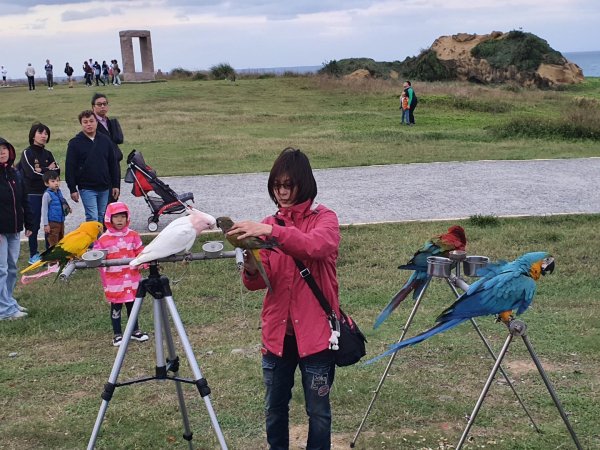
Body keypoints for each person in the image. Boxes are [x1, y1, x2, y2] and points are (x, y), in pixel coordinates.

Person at [227, 147, 341, 450]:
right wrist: (250, 264)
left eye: (288, 184)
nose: (282, 192)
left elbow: (314, 246)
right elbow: (259, 282)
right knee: (274, 409)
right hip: (278, 335)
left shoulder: (324, 219)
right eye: (277, 185)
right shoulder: (268, 223)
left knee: (318, 413)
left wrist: (270, 230)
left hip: (316, 336)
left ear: (303, 183)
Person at [93, 201, 148, 346]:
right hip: (114, 281)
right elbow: (98, 256)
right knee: (116, 307)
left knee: (132, 305)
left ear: (127, 217)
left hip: (132, 278)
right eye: (116, 217)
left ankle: (135, 331)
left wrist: (144, 261)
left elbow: (140, 251)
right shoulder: (103, 239)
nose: (119, 220)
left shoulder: (134, 235)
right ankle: (117, 334)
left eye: (123, 217)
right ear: (109, 219)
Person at [65, 110, 120, 224]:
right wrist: (72, 189)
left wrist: (115, 184)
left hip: (104, 186)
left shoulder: (105, 140)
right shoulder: (75, 143)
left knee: (102, 216)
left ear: (96, 122)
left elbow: (113, 163)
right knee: (92, 217)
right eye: (85, 122)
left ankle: (99, 241)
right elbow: (70, 167)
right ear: (81, 124)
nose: (89, 124)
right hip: (87, 187)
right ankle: (93, 242)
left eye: (91, 121)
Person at [0, 137, 33, 321]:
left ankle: (8, 301)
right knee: (1, 268)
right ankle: (4, 310)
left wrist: (29, 224)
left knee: (12, 267)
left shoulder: (14, 174)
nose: (2, 152)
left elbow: (24, 199)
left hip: (14, 229)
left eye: (5, 149)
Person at [18, 122, 59, 264]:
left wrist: (44, 170)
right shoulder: (27, 152)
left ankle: (49, 252)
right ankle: (33, 254)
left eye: (46, 133)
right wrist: (48, 169)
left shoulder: (48, 154)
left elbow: (57, 172)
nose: (44, 135)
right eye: (40, 132)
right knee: (33, 224)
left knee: (51, 223)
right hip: (32, 194)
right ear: (33, 135)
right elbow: (31, 173)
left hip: (49, 193)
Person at [92, 93, 124, 203]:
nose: (102, 106)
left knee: (114, 197)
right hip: (102, 167)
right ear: (93, 107)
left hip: (114, 165)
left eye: (104, 104)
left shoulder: (109, 122)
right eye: (99, 104)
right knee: (104, 202)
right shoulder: (92, 124)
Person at [40, 170, 70, 247]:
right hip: (52, 222)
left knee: (61, 241)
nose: (56, 183)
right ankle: (53, 258)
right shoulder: (47, 195)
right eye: (53, 181)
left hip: (61, 221)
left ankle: (59, 257)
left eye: (57, 180)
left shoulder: (59, 192)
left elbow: (62, 201)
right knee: (53, 242)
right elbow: (44, 210)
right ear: (46, 183)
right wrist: (46, 224)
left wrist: (68, 208)